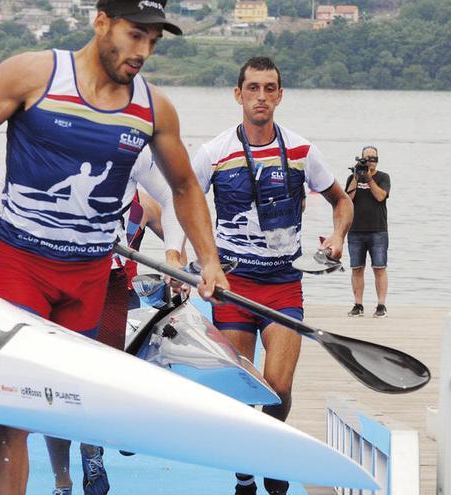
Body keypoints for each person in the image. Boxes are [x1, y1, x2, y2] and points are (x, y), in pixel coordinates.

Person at [0, 0, 227, 492]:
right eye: (136, 35)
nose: (144, 51)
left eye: (153, 42)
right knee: (16, 406)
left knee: (64, 397)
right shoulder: (32, 75)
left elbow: (182, 188)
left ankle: (64, 474)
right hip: (21, 263)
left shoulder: (154, 108)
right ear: (101, 22)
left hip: (90, 275)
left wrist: (210, 259)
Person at [191, 56, 352, 495]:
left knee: (278, 389)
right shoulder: (214, 152)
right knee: (243, 389)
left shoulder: (301, 150)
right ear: (238, 94)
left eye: (270, 88)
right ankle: (246, 470)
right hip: (233, 286)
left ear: (280, 95)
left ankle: (266, 450)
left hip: (284, 284)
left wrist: (337, 238)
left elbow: (343, 201)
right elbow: (182, 203)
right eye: (253, 88)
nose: (261, 96)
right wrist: (193, 256)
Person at [0, 147, 187, 494]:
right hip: (44, 277)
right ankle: (62, 480)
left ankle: (93, 446)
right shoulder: (39, 139)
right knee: (45, 391)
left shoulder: (132, 156)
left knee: (87, 388)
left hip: (107, 283)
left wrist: (174, 256)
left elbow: (173, 197)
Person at [345, 146, 390, 318]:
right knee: (357, 268)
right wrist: (357, 176)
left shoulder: (383, 177)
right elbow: (347, 199)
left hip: (378, 230)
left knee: (379, 268)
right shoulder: (353, 177)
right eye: (366, 158)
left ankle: (381, 305)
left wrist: (369, 178)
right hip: (355, 229)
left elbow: (380, 196)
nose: (369, 161)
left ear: (378, 159)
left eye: (373, 158)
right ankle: (358, 304)